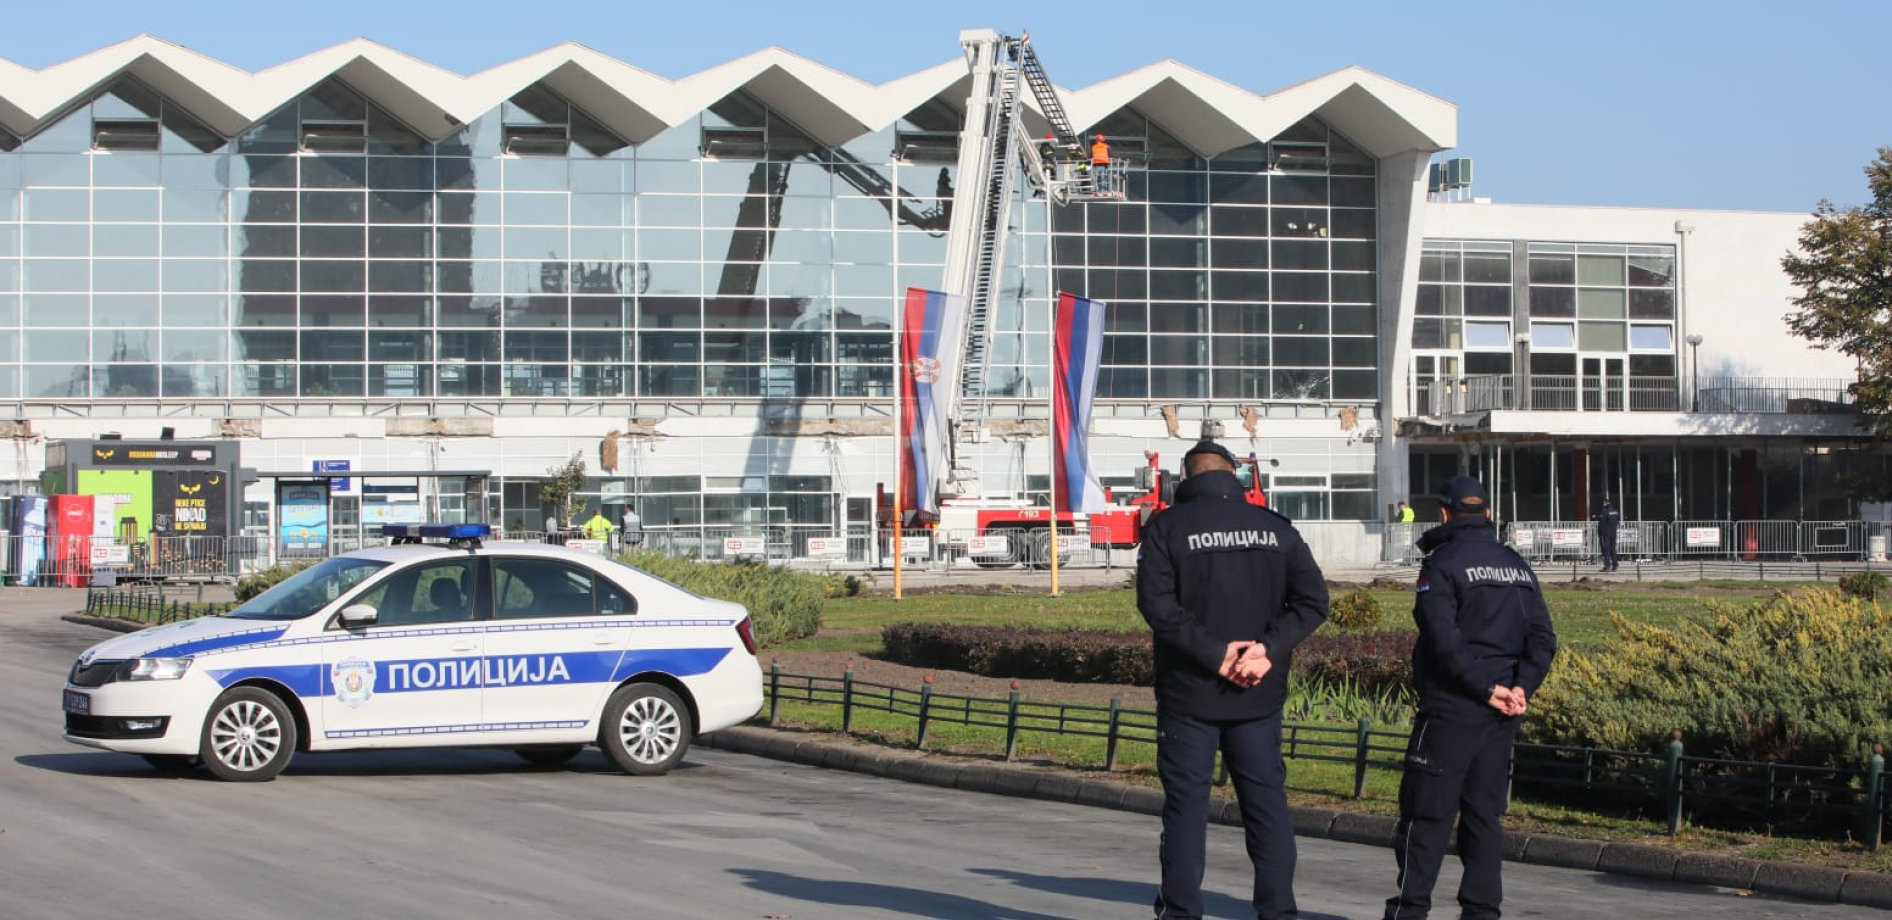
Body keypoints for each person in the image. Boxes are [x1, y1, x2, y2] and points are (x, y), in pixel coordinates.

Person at [1137, 439, 1329, 920]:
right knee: (1267, 810)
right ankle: (1279, 912)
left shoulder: (1167, 529)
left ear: (1185, 478)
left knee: (1185, 811)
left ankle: (1181, 912)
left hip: (1189, 695)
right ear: (1235, 477)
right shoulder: (1276, 530)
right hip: (1257, 694)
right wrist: (1265, 649)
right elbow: (1313, 602)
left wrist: (1217, 655)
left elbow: (1157, 606)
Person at [1383, 475, 1558, 920]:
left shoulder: (1442, 564)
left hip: (1452, 706)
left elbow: (1442, 638)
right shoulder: (1517, 565)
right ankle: (1482, 913)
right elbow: (1543, 639)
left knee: (1425, 818)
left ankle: (1409, 911)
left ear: (1444, 514)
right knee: (1484, 817)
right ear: (1488, 515)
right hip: (1502, 714)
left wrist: (1484, 688)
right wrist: (1520, 687)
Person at [1593, 500, 1621, 572]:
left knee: (1606, 550)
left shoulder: (1605, 511)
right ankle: (1615, 565)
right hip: (1613, 533)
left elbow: (1602, 522)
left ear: (1605, 503)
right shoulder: (1616, 512)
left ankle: (1607, 565)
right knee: (1613, 549)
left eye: (1603, 503)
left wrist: (1600, 533)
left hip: (1606, 533)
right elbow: (1617, 522)